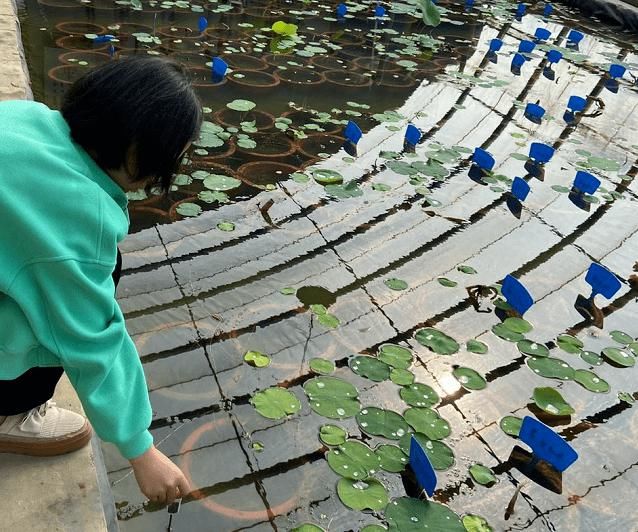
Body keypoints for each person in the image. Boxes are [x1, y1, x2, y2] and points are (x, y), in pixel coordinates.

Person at [0, 56, 202, 505]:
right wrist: (140, 449)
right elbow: (90, 335)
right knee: (78, 292)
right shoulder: (78, 215)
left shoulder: (27, 118)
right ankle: (8, 415)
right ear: (137, 148)